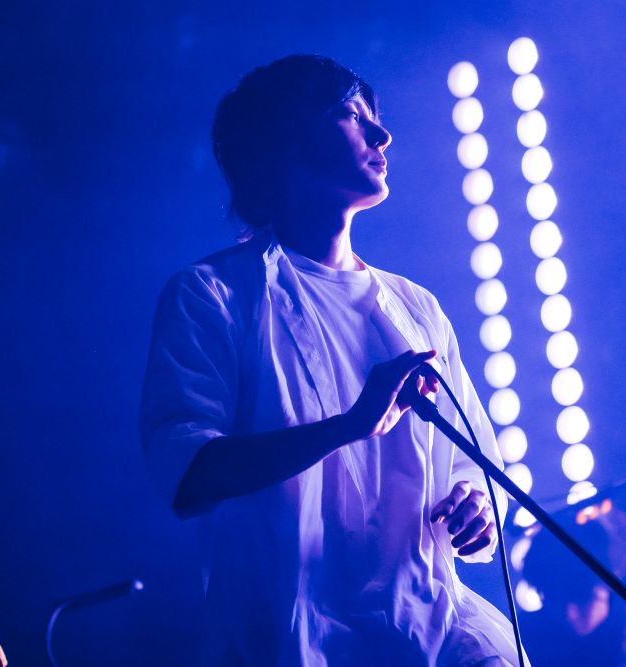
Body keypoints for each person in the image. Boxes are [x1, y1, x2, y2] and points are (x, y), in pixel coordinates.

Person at [141, 54, 523, 666]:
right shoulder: (211, 295)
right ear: (285, 139)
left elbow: (475, 470)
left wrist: (476, 511)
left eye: (376, 117)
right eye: (351, 114)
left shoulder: (415, 307)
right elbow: (188, 471)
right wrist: (349, 426)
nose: (382, 135)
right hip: (290, 641)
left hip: (433, 634)